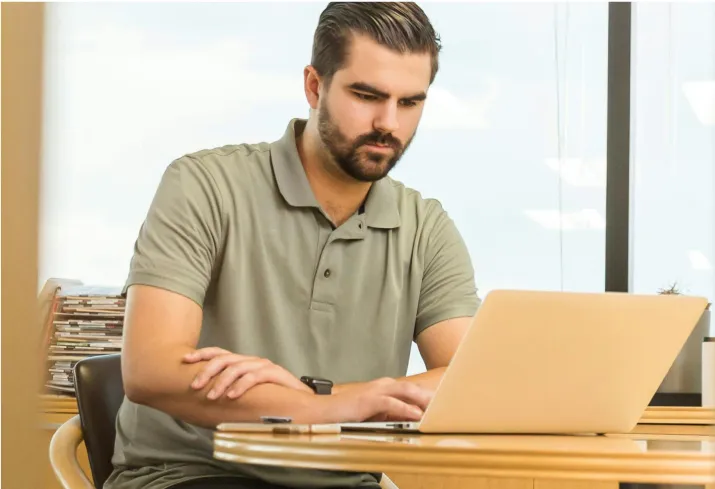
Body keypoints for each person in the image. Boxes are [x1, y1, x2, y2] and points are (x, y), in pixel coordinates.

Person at [104, 2, 480, 489]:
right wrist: (320, 408)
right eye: (367, 95)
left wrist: (324, 396)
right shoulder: (203, 184)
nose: (389, 123)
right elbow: (151, 370)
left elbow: (468, 380)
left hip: (343, 482)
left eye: (410, 102)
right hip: (191, 474)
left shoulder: (426, 227)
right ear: (314, 85)